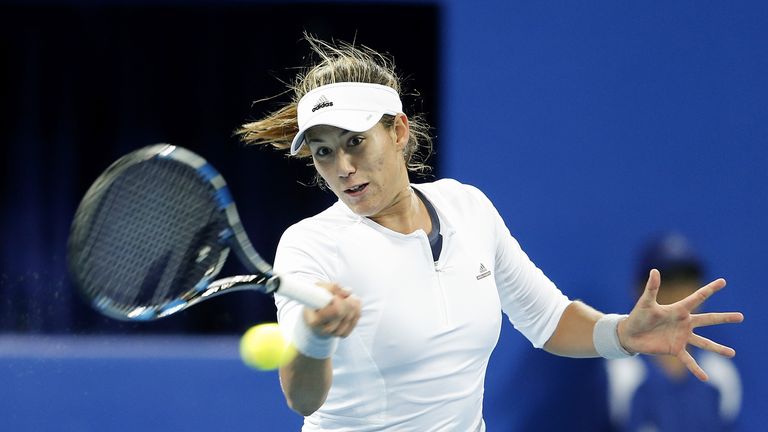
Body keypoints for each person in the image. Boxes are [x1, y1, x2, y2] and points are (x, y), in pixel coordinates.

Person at [236, 36, 743, 431]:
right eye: (323, 151)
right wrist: (317, 338)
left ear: (399, 131)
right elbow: (302, 398)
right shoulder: (309, 245)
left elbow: (547, 318)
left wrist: (621, 335)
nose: (343, 167)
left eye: (355, 141)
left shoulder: (467, 207)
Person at [606, 233, 742, 432]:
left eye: (687, 280)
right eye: (667, 281)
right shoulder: (619, 374)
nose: (680, 293)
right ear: (640, 290)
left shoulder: (720, 374)